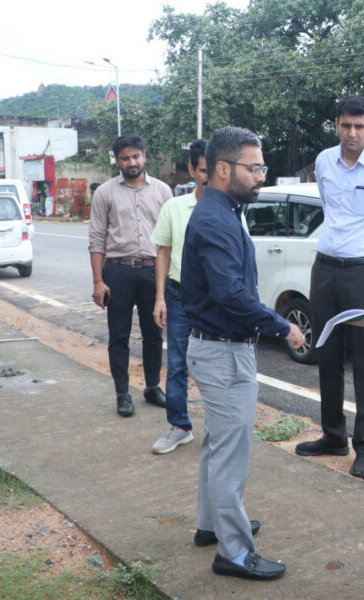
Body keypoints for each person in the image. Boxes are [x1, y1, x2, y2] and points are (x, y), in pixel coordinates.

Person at [182, 126, 304, 581]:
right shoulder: (215, 218)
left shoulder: (222, 210)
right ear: (222, 169)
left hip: (216, 348)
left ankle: (212, 524)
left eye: (263, 168)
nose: (261, 177)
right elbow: (231, 295)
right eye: (253, 169)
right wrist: (283, 326)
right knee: (231, 452)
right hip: (223, 353)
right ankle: (233, 552)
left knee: (217, 444)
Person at [294, 95, 364, 480]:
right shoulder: (325, 161)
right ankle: (333, 436)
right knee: (325, 352)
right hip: (324, 267)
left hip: (362, 271)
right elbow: (330, 211)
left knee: (362, 357)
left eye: (360, 126)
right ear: (337, 124)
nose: (353, 133)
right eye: (346, 125)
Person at [89, 134, 171, 417]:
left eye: (136, 156)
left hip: (152, 270)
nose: (131, 162)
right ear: (118, 160)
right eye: (125, 158)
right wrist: (98, 281)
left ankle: (152, 387)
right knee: (119, 336)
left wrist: (167, 282)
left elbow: (168, 241)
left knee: (153, 333)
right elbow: (96, 239)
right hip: (118, 271)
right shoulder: (105, 193)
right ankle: (122, 394)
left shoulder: (162, 191)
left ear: (144, 156)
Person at [149, 139, 206, 454]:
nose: (210, 177)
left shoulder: (231, 207)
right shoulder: (173, 207)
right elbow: (163, 252)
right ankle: (179, 426)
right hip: (180, 296)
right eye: (203, 171)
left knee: (218, 365)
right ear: (191, 171)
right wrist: (160, 298)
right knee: (177, 363)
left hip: (216, 300)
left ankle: (219, 430)